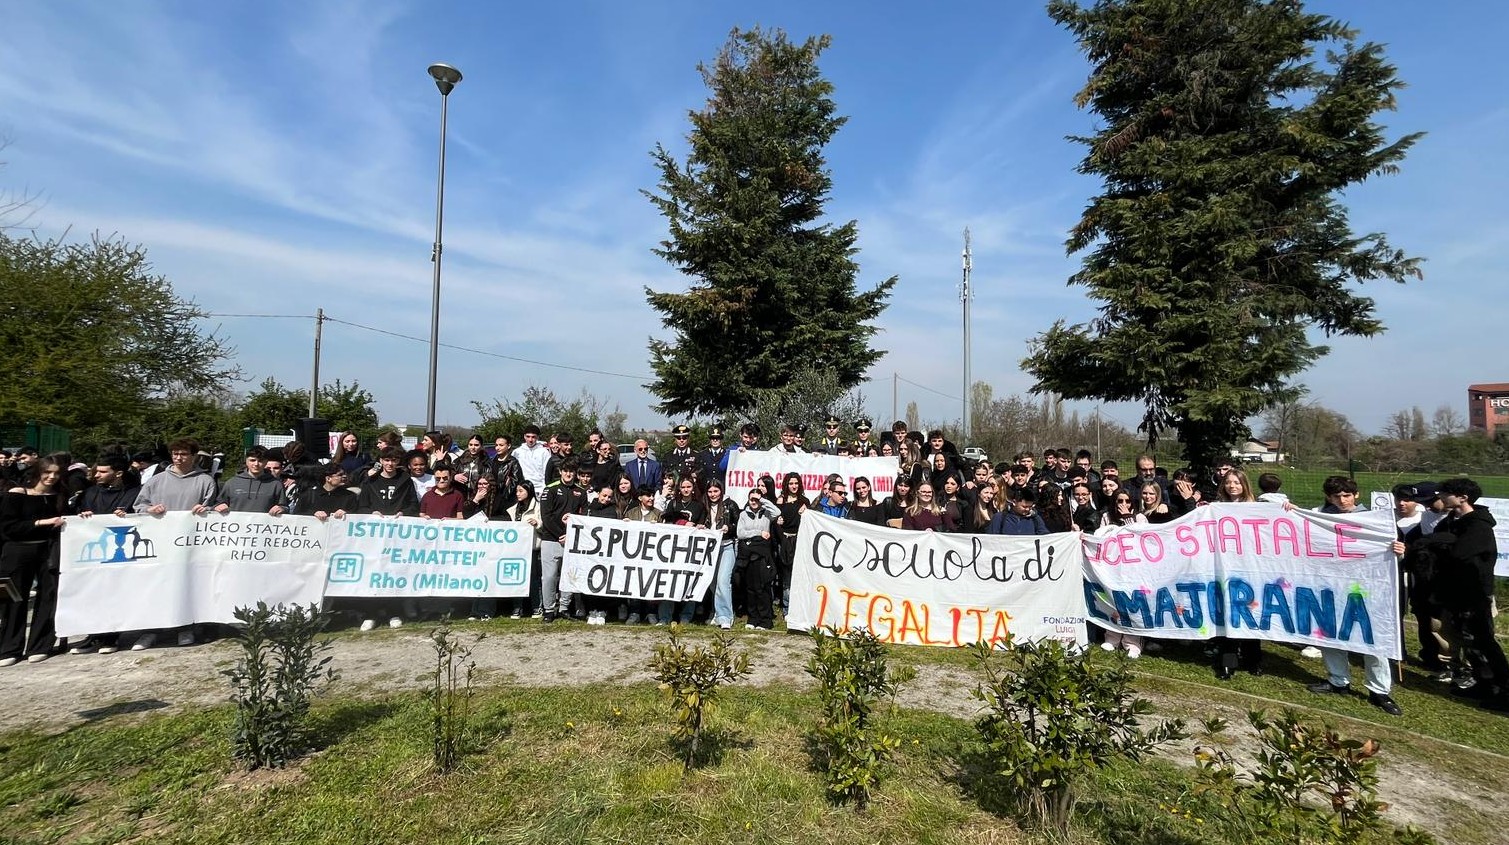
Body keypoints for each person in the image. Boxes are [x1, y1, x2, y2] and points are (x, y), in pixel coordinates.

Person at [1300, 476, 1403, 715]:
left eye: (1347, 495)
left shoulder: (1375, 520)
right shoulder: (1318, 516)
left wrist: (1399, 552)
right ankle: (1338, 680)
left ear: (1356, 495)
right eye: (1336, 496)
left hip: (1367, 587)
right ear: (1328, 497)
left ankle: (1379, 690)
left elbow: (1390, 555)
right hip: (1329, 584)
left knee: (1372, 637)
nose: (1342, 500)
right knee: (1330, 632)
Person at [1427, 478, 1509, 711]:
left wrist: (1437, 544)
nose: (1441, 496)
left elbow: (1458, 553)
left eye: (1446, 492)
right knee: (1467, 641)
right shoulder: (1452, 522)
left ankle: (1503, 688)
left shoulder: (1477, 526)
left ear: (1463, 497)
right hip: (1455, 592)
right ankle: (1483, 682)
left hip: (1474, 594)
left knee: (1483, 642)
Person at [0, 458, 68, 666]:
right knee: (12, 598)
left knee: (48, 596)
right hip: (17, 551)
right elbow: (8, 527)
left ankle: (41, 645)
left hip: (48, 551)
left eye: (56, 473)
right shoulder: (17, 494)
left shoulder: (59, 497)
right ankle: (9, 648)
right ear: (38, 472)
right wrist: (41, 523)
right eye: (47, 472)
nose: (52, 477)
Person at [538, 458, 585, 622]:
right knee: (549, 577)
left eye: (571, 472)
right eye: (565, 471)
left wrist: (570, 535)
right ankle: (549, 609)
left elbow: (583, 517)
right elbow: (546, 516)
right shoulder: (549, 489)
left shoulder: (581, 492)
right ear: (560, 472)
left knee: (569, 575)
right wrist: (560, 535)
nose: (568, 474)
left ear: (575, 474)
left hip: (572, 541)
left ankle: (564, 607)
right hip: (551, 539)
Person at [736, 488, 782, 631]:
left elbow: (777, 512)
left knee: (763, 588)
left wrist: (762, 499)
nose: (754, 502)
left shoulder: (766, 513)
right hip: (748, 557)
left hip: (763, 556)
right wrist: (759, 533)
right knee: (750, 588)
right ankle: (753, 617)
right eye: (752, 499)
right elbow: (740, 533)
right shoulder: (743, 514)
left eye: (756, 499)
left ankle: (765, 619)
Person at [705, 479, 741, 629]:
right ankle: (718, 613)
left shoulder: (730, 504)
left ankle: (726, 616)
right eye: (710, 491)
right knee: (713, 583)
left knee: (723, 581)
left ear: (721, 491)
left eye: (716, 491)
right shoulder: (704, 506)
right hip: (710, 549)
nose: (713, 494)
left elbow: (739, 525)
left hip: (727, 546)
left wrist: (730, 528)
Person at [214, 446, 287, 515]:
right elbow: (217, 505)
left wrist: (282, 509)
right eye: (252, 460)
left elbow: (285, 507)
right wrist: (218, 507)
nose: (256, 464)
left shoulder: (276, 484)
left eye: (260, 461)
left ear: (266, 462)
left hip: (264, 526)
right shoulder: (231, 483)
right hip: (235, 526)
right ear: (246, 461)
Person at [515, 425, 551, 497]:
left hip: (539, 489)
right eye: (528, 437)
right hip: (523, 489)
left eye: (533, 437)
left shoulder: (544, 452)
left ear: (537, 437)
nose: (530, 440)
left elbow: (547, 472)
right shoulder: (517, 452)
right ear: (524, 436)